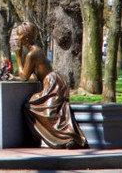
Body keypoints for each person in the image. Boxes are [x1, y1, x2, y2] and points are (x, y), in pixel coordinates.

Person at [15, 21, 87, 149]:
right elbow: (33, 74)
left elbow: (24, 77)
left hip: (53, 85)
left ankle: (65, 138)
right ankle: (47, 138)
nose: (17, 38)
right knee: (41, 109)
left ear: (26, 37)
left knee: (32, 107)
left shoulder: (32, 53)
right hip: (54, 82)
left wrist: (18, 56)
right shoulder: (36, 50)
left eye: (19, 35)